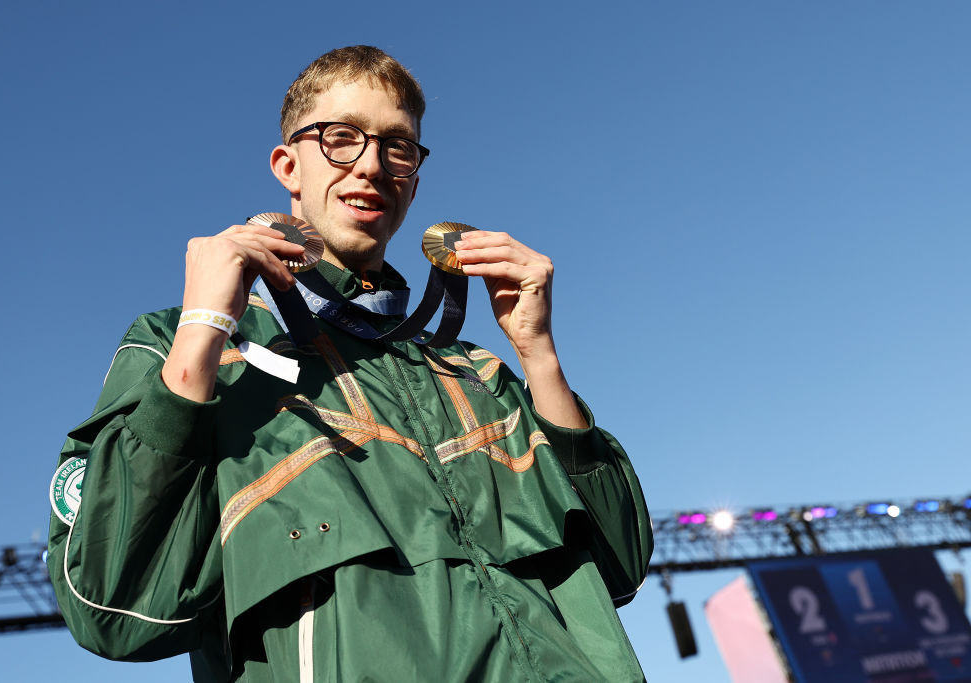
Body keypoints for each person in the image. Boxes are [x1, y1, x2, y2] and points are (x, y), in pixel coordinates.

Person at [47, 45, 653, 682]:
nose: (371, 165)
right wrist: (202, 332)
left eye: (397, 146)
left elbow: (621, 564)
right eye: (340, 138)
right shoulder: (187, 349)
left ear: (415, 180)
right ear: (289, 165)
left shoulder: (478, 371)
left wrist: (540, 355)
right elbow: (111, 607)